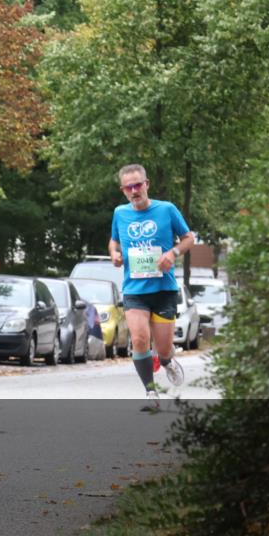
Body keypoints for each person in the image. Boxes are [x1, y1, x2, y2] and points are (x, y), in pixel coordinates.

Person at [109, 164, 194, 411]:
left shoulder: (166, 209)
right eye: (129, 187)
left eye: (138, 185)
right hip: (134, 290)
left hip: (164, 290)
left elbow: (189, 238)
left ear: (147, 184)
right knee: (138, 338)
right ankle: (150, 392)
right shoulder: (120, 213)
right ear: (123, 190)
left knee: (164, 348)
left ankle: (167, 361)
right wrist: (114, 254)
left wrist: (173, 252)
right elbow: (113, 241)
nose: (134, 191)